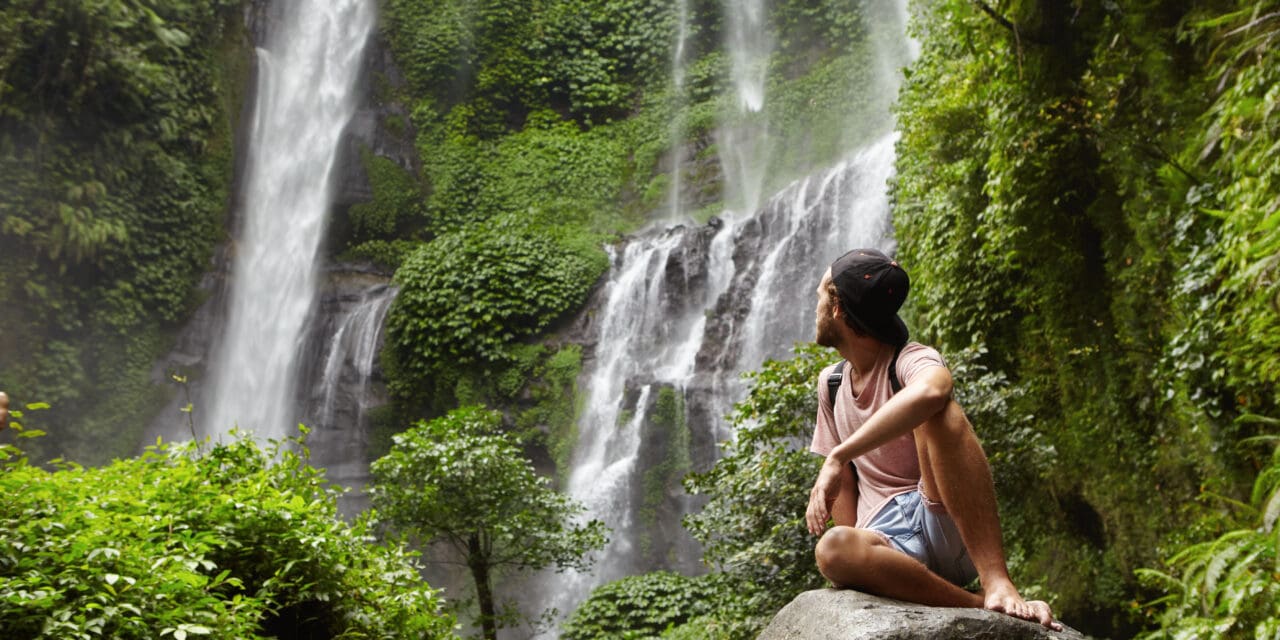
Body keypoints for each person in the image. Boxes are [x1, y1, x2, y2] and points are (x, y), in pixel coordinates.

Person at [805, 248, 1060, 630]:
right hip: (889, 544)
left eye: (823, 293)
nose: (816, 303)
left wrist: (838, 456)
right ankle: (976, 602)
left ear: (838, 307)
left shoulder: (910, 359)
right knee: (833, 547)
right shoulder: (832, 384)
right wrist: (858, 550)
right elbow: (844, 490)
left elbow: (933, 391)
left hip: (941, 516)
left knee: (939, 412)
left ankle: (997, 581)